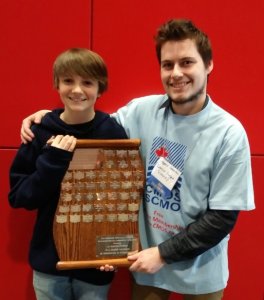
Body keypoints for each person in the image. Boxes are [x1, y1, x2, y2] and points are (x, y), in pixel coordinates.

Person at [20, 19, 255, 300]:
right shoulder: (141, 111)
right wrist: (50, 119)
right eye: (168, 65)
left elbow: (221, 218)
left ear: (208, 65)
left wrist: (163, 254)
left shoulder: (229, 133)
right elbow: (90, 129)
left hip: (198, 274)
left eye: (187, 62)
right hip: (146, 269)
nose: (176, 73)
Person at [9, 48, 128, 300]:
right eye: (68, 81)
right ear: (57, 84)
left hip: (95, 263)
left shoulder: (112, 132)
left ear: (100, 87)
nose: (77, 90)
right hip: (49, 263)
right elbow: (20, 197)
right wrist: (53, 161)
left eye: (87, 82)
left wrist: (113, 251)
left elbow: (122, 200)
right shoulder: (40, 131)